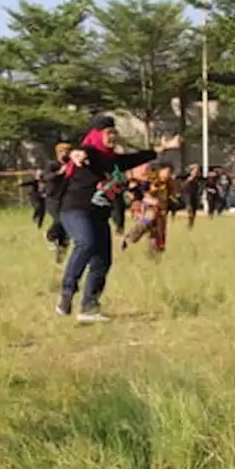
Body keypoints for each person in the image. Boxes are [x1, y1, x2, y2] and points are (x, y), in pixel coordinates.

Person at [55, 114, 178, 321]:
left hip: (99, 216)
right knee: (85, 243)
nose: (112, 136)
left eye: (114, 132)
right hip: (75, 210)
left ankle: (89, 307)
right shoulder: (91, 152)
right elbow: (80, 152)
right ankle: (67, 293)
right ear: (96, 135)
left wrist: (162, 148)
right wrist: (76, 155)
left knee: (103, 261)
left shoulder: (113, 161)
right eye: (108, 133)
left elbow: (137, 158)